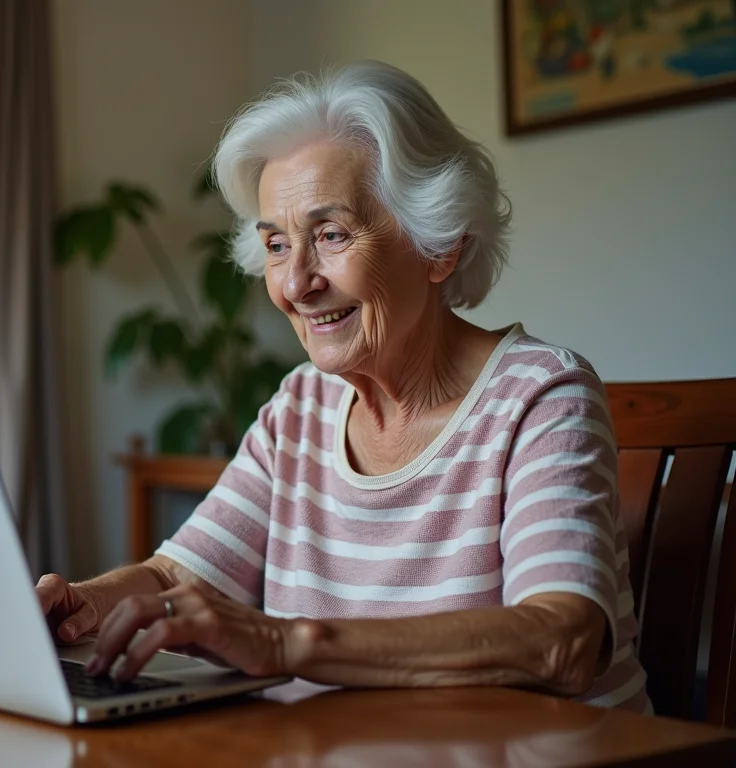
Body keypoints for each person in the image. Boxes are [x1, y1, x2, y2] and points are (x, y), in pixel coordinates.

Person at [37, 61, 648, 713]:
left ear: (440, 245)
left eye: (330, 235)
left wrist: (287, 643)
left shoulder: (540, 396)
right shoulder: (300, 408)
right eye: (276, 245)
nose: (296, 283)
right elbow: (174, 576)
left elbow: (562, 640)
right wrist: (86, 605)